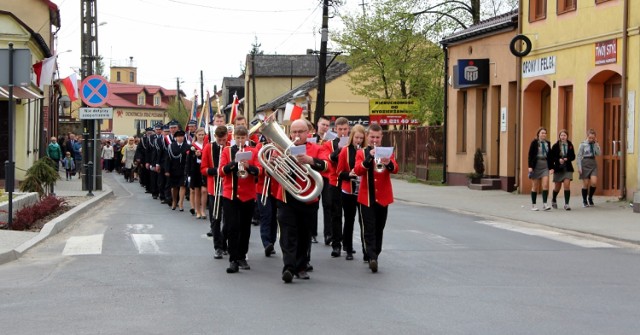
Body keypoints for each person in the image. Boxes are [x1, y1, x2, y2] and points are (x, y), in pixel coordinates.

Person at [276, 119, 329, 283]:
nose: (297, 135)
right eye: (294, 132)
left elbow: (326, 166)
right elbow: (274, 171)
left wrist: (310, 160)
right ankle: (289, 268)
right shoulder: (282, 148)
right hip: (286, 196)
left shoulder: (317, 148)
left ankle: (301, 267)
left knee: (304, 234)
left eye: (300, 132)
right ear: (290, 133)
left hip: (308, 197)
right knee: (288, 234)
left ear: (308, 133)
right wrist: (274, 162)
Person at [354, 123, 398, 273]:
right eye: (372, 137)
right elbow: (358, 170)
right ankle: (372, 257)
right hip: (367, 197)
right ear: (367, 136)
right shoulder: (361, 152)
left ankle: (375, 252)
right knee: (369, 228)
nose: (375, 140)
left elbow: (395, 169)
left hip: (383, 197)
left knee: (379, 228)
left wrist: (389, 163)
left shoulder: (387, 152)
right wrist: (369, 158)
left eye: (377, 137)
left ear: (381, 138)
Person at [218, 126, 261, 273]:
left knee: (245, 228)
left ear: (247, 138)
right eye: (238, 137)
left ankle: (242, 256)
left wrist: (248, 167)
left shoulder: (253, 151)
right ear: (233, 137)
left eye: (243, 138)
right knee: (232, 227)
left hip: (248, 195)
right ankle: (233, 259)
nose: (241, 140)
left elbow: (259, 171)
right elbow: (221, 172)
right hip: (230, 194)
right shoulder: (227, 151)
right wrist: (234, 164)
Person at [336, 124, 366, 260]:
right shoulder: (345, 151)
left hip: (363, 190)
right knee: (349, 219)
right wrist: (350, 174)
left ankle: (366, 250)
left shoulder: (366, 151)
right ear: (352, 137)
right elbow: (339, 172)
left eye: (361, 138)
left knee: (363, 220)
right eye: (356, 138)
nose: (358, 140)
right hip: (348, 190)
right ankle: (347, 247)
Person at [201, 126, 229, 259]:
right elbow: (203, 169)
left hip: (229, 187)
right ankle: (218, 247)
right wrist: (215, 171)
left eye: (224, 140)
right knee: (215, 219)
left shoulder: (230, 147)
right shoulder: (208, 147)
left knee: (229, 220)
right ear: (215, 137)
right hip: (214, 188)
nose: (222, 142)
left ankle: (224, 243)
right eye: (219, 140)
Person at [326, 117, 350, 258]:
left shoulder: (353, 142)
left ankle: (348, 244)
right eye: (340, 129)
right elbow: (330, 159)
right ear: (335, 129)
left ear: (348, 129)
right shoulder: (331, 143)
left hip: (348, 181)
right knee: (336, 214)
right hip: (335, 182)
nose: (342, 132)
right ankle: (336, 245)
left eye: (345, 129)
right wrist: (340, 149)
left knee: (349, 215)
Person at [314, 116, 332, 245]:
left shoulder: (331, 140)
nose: (325, 127)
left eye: (327, 125)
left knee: (328, 205)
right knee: (313, 205)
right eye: (323, 124)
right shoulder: (310, 138)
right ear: (318, 124)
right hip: (314, 175)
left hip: (326, 176)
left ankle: (328, 234)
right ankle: (311, 233)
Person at [527, 127, 553, 211]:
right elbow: (530, 155)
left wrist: (551, 167)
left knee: (545, 185)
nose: (544, 134)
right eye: (542, 133)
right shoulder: (534, 143)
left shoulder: (548, 143)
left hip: (545, 164)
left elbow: (550, 156)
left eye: (545, 133)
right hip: (536, 165)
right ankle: (533, 205)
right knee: (535, 186)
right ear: (538, 134)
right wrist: (530, 166)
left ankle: (545, 204)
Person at [549, 129, 576, 210]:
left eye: (564, 135)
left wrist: (567, 158)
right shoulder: (555, 146)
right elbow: (551, 157)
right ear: (559, 136)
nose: (563, 137)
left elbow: (573, 156)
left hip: (567, 168)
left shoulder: (570, 145)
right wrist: (558, 160)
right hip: (558, 168)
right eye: (561, 135)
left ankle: (566, 204)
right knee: (557, 187)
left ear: (567, 136)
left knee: (567, 185)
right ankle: (554, 199)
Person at [164, 130, 189, 211]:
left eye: (182, 136)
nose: (180, 138)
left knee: (183, 186)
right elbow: (167, 159)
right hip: (173, 169)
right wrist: (167, 170)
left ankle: (181, 203)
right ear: (175, 138)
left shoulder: (187, 146)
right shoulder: (171, 146)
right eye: (178, 137)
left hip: (183, 169)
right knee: (174, 187)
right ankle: (174, 201)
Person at [187, 127, 208, 219]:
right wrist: (188, 174)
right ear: (196, 135)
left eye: (202, 135)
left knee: (204, 191)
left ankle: (203, 210)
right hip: (195, 170)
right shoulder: (192, 146)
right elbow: (189, 160)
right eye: (199, 134)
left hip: (204, 169)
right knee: (197, 191)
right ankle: (198, 210)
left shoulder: (207, 145)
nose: (201, 136)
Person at [577, 129, 601, 207]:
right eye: (590, 137)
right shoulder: (582, 144)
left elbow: (599, 154)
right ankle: (584, 200)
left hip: (593, 162)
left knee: (594, 182)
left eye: (593, 138)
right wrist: (579, 167)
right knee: (586, 183)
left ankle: (590, 197)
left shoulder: (594, 144)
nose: (591, 139)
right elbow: (579, 156)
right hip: (585, 163)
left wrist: (597, 145)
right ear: (587, 136)